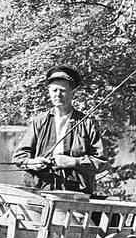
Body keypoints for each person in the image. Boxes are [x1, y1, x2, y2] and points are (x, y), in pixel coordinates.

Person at [12, 65, 103, 194]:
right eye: (54, 90)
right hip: (40, 190)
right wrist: (32, 163)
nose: (58, 95)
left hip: (75, 194)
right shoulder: (40, 121)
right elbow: (19, 157)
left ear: (73, 93)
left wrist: (72, 162)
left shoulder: (87, 123)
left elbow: (101, 162)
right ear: (49, 92)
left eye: (63, 90)